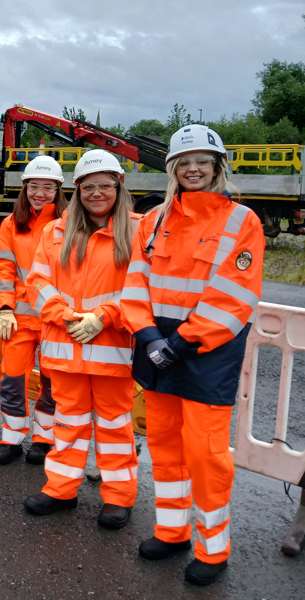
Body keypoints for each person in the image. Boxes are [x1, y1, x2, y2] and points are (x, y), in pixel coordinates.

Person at [120, 125, 265, 586]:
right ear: (172, 170)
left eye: (203, 161)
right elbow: (134, 287)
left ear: (218, 167)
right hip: (156, 349)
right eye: (184, 162)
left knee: (205, 455)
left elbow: (232, 298)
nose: (193, 168)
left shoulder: (242, 222)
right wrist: (148, 338)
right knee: (164, 446)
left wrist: (178, 344)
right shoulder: (153, 220)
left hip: (206, 354)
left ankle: (213, 549)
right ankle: (172, 530)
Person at [23, 150, 140, 530]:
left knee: (114, 427)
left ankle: (119, 498)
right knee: (68, 423)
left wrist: (104, 317)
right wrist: (68, 316)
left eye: (105, 185)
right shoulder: (54, 231)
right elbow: (36, 283)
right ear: (77, 191)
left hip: (111, 349)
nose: (97, 193)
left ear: (119, 187)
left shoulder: (138, 232)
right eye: (89, 187)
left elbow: (143, 289)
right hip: (65, 345)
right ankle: (61, 489)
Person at [0, 156, 66, 465]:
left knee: (53, 382)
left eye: (48, 188)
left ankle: (44, 438)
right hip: (19, 318)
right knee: (12, 379)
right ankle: (12, 438)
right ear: (24, 188)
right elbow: (4, 268)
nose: (40, 193)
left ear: (58, 190)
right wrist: (5, 308)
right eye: (34, 186)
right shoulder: (11, 224)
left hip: (54, 320)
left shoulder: (69, 221)